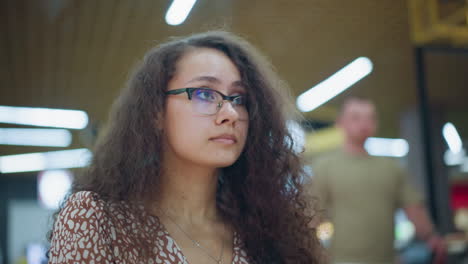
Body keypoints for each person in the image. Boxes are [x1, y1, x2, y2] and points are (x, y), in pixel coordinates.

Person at [48, 31, 323, 264]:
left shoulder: (270, 231)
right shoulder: (96, 221)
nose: (230, 113)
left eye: (239, 98)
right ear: (156, 111)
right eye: (204, 93)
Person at [305, 97, 446, 264]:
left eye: (370, 117)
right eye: (356, 117)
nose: (364, 123)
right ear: (340, 123)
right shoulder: (324, 167)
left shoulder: (391, 168)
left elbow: (413, 207)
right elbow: (312, 216)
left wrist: (432, 238)